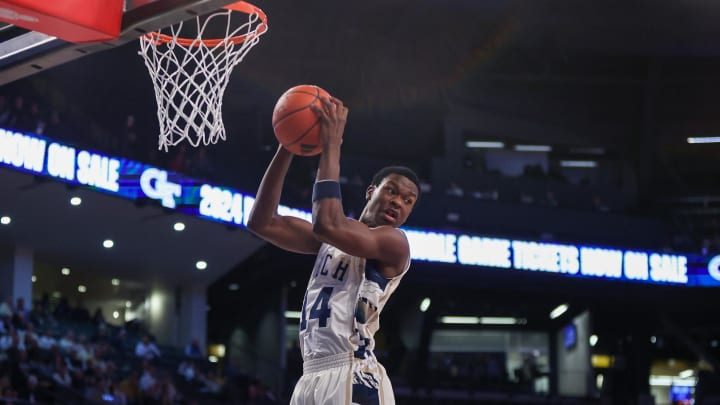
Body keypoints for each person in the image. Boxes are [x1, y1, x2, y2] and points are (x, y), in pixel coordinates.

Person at [247, 95, 420, 404]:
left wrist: (332, 144)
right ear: (371, 192)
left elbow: (328, 223)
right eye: (391, 190)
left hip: (353, 372)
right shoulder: (331, 237)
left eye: (408, 200)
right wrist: (288, 146)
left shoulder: (395, 243)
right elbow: (262, 222)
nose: (398, 201)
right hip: (310, 374)